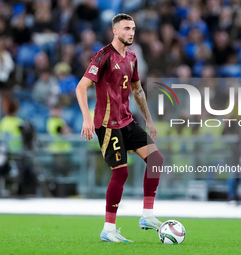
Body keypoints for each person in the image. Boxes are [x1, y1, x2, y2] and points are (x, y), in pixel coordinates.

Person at [76, 13, 164, 242]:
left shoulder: (132, 58)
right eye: (126, 28)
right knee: (121, 172)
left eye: (133, 28)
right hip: (107, 125)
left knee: (156, 160)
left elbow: (138, 91)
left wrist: (149, 119)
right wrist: (87, 118)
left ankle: (147, 215)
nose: (131, 32)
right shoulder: (103, 56)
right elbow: (81, 88)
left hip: (126, 121)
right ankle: (108, 229)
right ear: (115, 31)